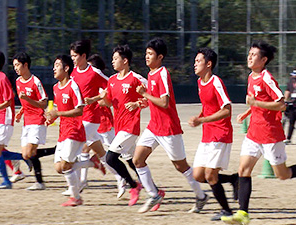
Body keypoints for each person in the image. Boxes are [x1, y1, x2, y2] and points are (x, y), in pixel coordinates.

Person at [221, 40, 296, 224]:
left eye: (254, 55)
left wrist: (255, 104)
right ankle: (243, 213)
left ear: (264, 59)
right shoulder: (251, 76)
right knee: (243, 169)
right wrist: (248, 112)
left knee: (282, 175)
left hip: (270, 134)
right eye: (249, 54)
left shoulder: (267, 78)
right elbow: (257, 101)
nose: (249, 57)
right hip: (253, 133)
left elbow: (281, 104)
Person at [134, 37, 207, 213]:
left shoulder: (162, 73)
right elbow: (155, 100)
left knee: (181, 166)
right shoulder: (151, 74)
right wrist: (143, 101)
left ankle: (201, 196)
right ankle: (154, 194)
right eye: (146, 53)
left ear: (160, 57)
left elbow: (165, 102)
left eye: (151, 54)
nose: (147, 57)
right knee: (137, 159)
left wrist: (145, 93)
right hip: (154, 126)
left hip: (168, 128)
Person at [45, 54, 104, 206]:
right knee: (59, 168)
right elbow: (59, 109)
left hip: (75, 131)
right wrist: (51, 118)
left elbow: (79, 110)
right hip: (63, 132)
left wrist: (58, 113)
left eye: (57, 65)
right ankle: (92, 163)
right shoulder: (56, 88)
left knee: (66, 166)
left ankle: (76, 197)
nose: (54, 68)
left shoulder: (73, 86)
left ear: (66, 68)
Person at [188, 47, 239, 221]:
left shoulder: (216, 82)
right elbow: (208, 107)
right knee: (198, 176)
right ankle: (233, 179)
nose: (194, 64)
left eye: (198, 61)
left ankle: (227, 211)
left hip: (221, 134)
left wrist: (202, 120)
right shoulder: (200, 83)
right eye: (194, 61)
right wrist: (199, 118)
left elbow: (226, 110)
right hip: (207, 135)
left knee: (210, 175)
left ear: (208, 64)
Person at [99, 44, 146, 204]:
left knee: (111, 158)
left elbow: (150, 97)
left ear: (125, 61)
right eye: (112, 59)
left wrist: (137, 104)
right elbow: (108, 103)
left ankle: (133, 186)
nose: (113, 62)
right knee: (133, 161)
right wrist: (103, 98)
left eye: (116, 58)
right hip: (118, 127)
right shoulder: (112, 80)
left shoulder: (136, 78)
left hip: (131, 126)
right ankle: (153, 188)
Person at [0, 49, 32, 189]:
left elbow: (8, 100)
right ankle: (22, 158)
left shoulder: (2, 78)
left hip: (3, 119)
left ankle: (7, 181)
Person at [69, 40, 109, 191]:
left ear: (83, 56)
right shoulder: (72, 72)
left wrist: (96, 99)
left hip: (92, 118)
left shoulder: (94, 72)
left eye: (75, 56)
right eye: (71, 55)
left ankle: (77, 186)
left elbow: (110, 86)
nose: (72, 58)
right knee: (103, 154)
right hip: (78, 118)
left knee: (75, 149)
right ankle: (123, 179)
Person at [13, 52, 51, 190]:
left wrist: (28, 99)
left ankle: (40, 182)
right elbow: (25, 104)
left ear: (26, 65)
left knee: (29, 153)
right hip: (27, 122)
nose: (15, 68)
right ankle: (40, 182)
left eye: (17, 65)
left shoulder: (35, 81)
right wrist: (21, 112)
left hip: (38, 121)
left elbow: (44, 104)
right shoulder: (18, 81)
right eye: (14, 66)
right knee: (26, 154)